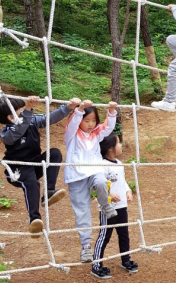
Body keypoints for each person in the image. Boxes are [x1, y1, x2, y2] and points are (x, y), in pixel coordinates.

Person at [0, 96, 77, 234]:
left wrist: (68, 108)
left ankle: (49, 191)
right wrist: (28, 109)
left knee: (55, 153)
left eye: (25, 110)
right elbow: (19, 130)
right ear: (11, 117)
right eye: (22, 110)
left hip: (35, 165)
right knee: (32, 183)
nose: (27, 112)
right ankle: (34, 219)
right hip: (18, 169)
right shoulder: (7, 133)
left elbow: (49, 118)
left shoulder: (31, 121)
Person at [64, 100, 118, 263]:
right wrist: (79, 110)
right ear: (79, 119)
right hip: (76, 175)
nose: (90, 124)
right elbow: (73, 124)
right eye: (86, 120)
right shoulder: (71, 135)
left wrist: (112, 112)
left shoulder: (95, 133)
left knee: (102, 182)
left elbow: (108, 128)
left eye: (93, 120)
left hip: (94, 170)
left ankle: (105, 205)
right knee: (82, 210)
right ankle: (86, 246)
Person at [91, 134, 138, 279]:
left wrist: (128, 190)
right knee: (104, 236)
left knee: (124, 234)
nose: (121, 145)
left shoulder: (119, 163)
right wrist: (109, 194)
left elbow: (122, 182)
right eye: (119, 143)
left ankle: (126, 259)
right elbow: (98, 185)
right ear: (110, 148)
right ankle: (96, 265)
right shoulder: (101, 165)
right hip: (108, 208)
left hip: (122, 206)